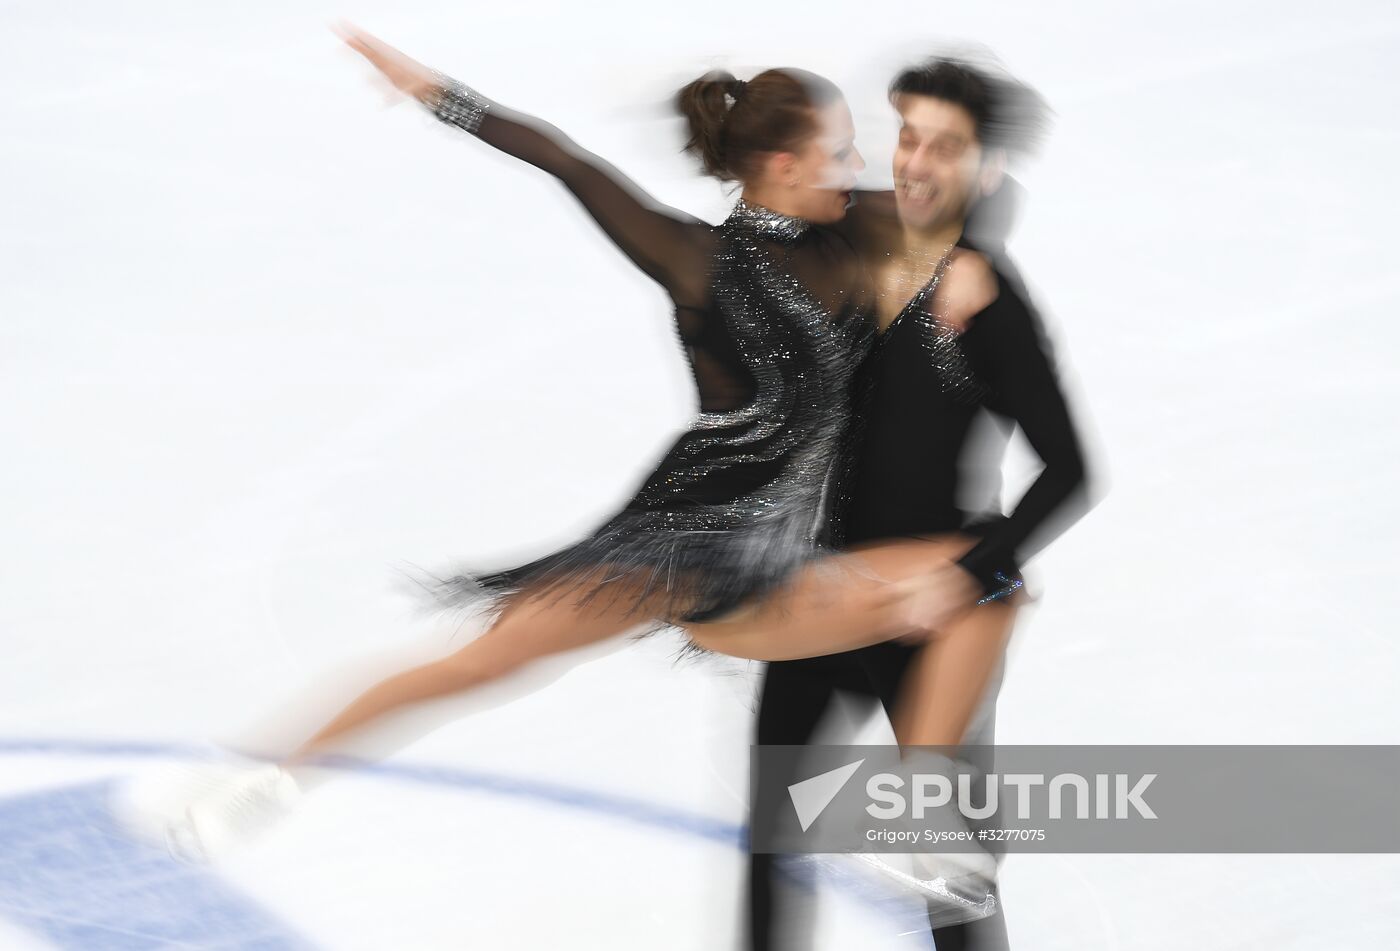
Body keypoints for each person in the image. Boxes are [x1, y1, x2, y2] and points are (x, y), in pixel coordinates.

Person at [119, 28, 1012, 919]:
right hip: (672, 546)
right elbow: (565, 161)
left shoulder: (857, 226)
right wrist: (436, 91)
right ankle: (268, 782)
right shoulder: (693, 255)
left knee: (981, 587)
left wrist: (969, 254)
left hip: (772, 571)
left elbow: (965, 205)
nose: (858, 164)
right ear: (784, 164)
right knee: (473, 665)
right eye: (839, 150)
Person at [746, 57, 1093, 949]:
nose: (913, 163)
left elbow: (1070, 471)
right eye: (907, 138)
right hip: (825, 592)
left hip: (926, 610)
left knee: (953, 873)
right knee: (771, 840)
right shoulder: (861, 235)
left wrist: (969, 577)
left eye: (945, 147)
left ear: (983, 170)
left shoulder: (994, 312)